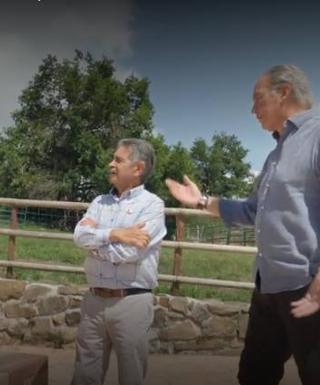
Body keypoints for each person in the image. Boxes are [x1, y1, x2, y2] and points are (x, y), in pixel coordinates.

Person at [165, 64, 320, 385]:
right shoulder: (276, 153)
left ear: (284, 92)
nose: (252, 110)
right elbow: (252, 211)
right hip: (268, 287)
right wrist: (201, 201)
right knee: (253, 376)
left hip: (308, 288)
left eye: (258, 99)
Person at [71, 138, 166, 385]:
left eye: (118, 159)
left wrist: (96, 245)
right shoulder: (99, 202)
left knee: (131, 377)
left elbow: (130, 254)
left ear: (137, 168)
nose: (110, 164)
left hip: (131, 303)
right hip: (93, 302)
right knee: (84, 375)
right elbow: (79, 236)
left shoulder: (153, 205)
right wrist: (115, 234)